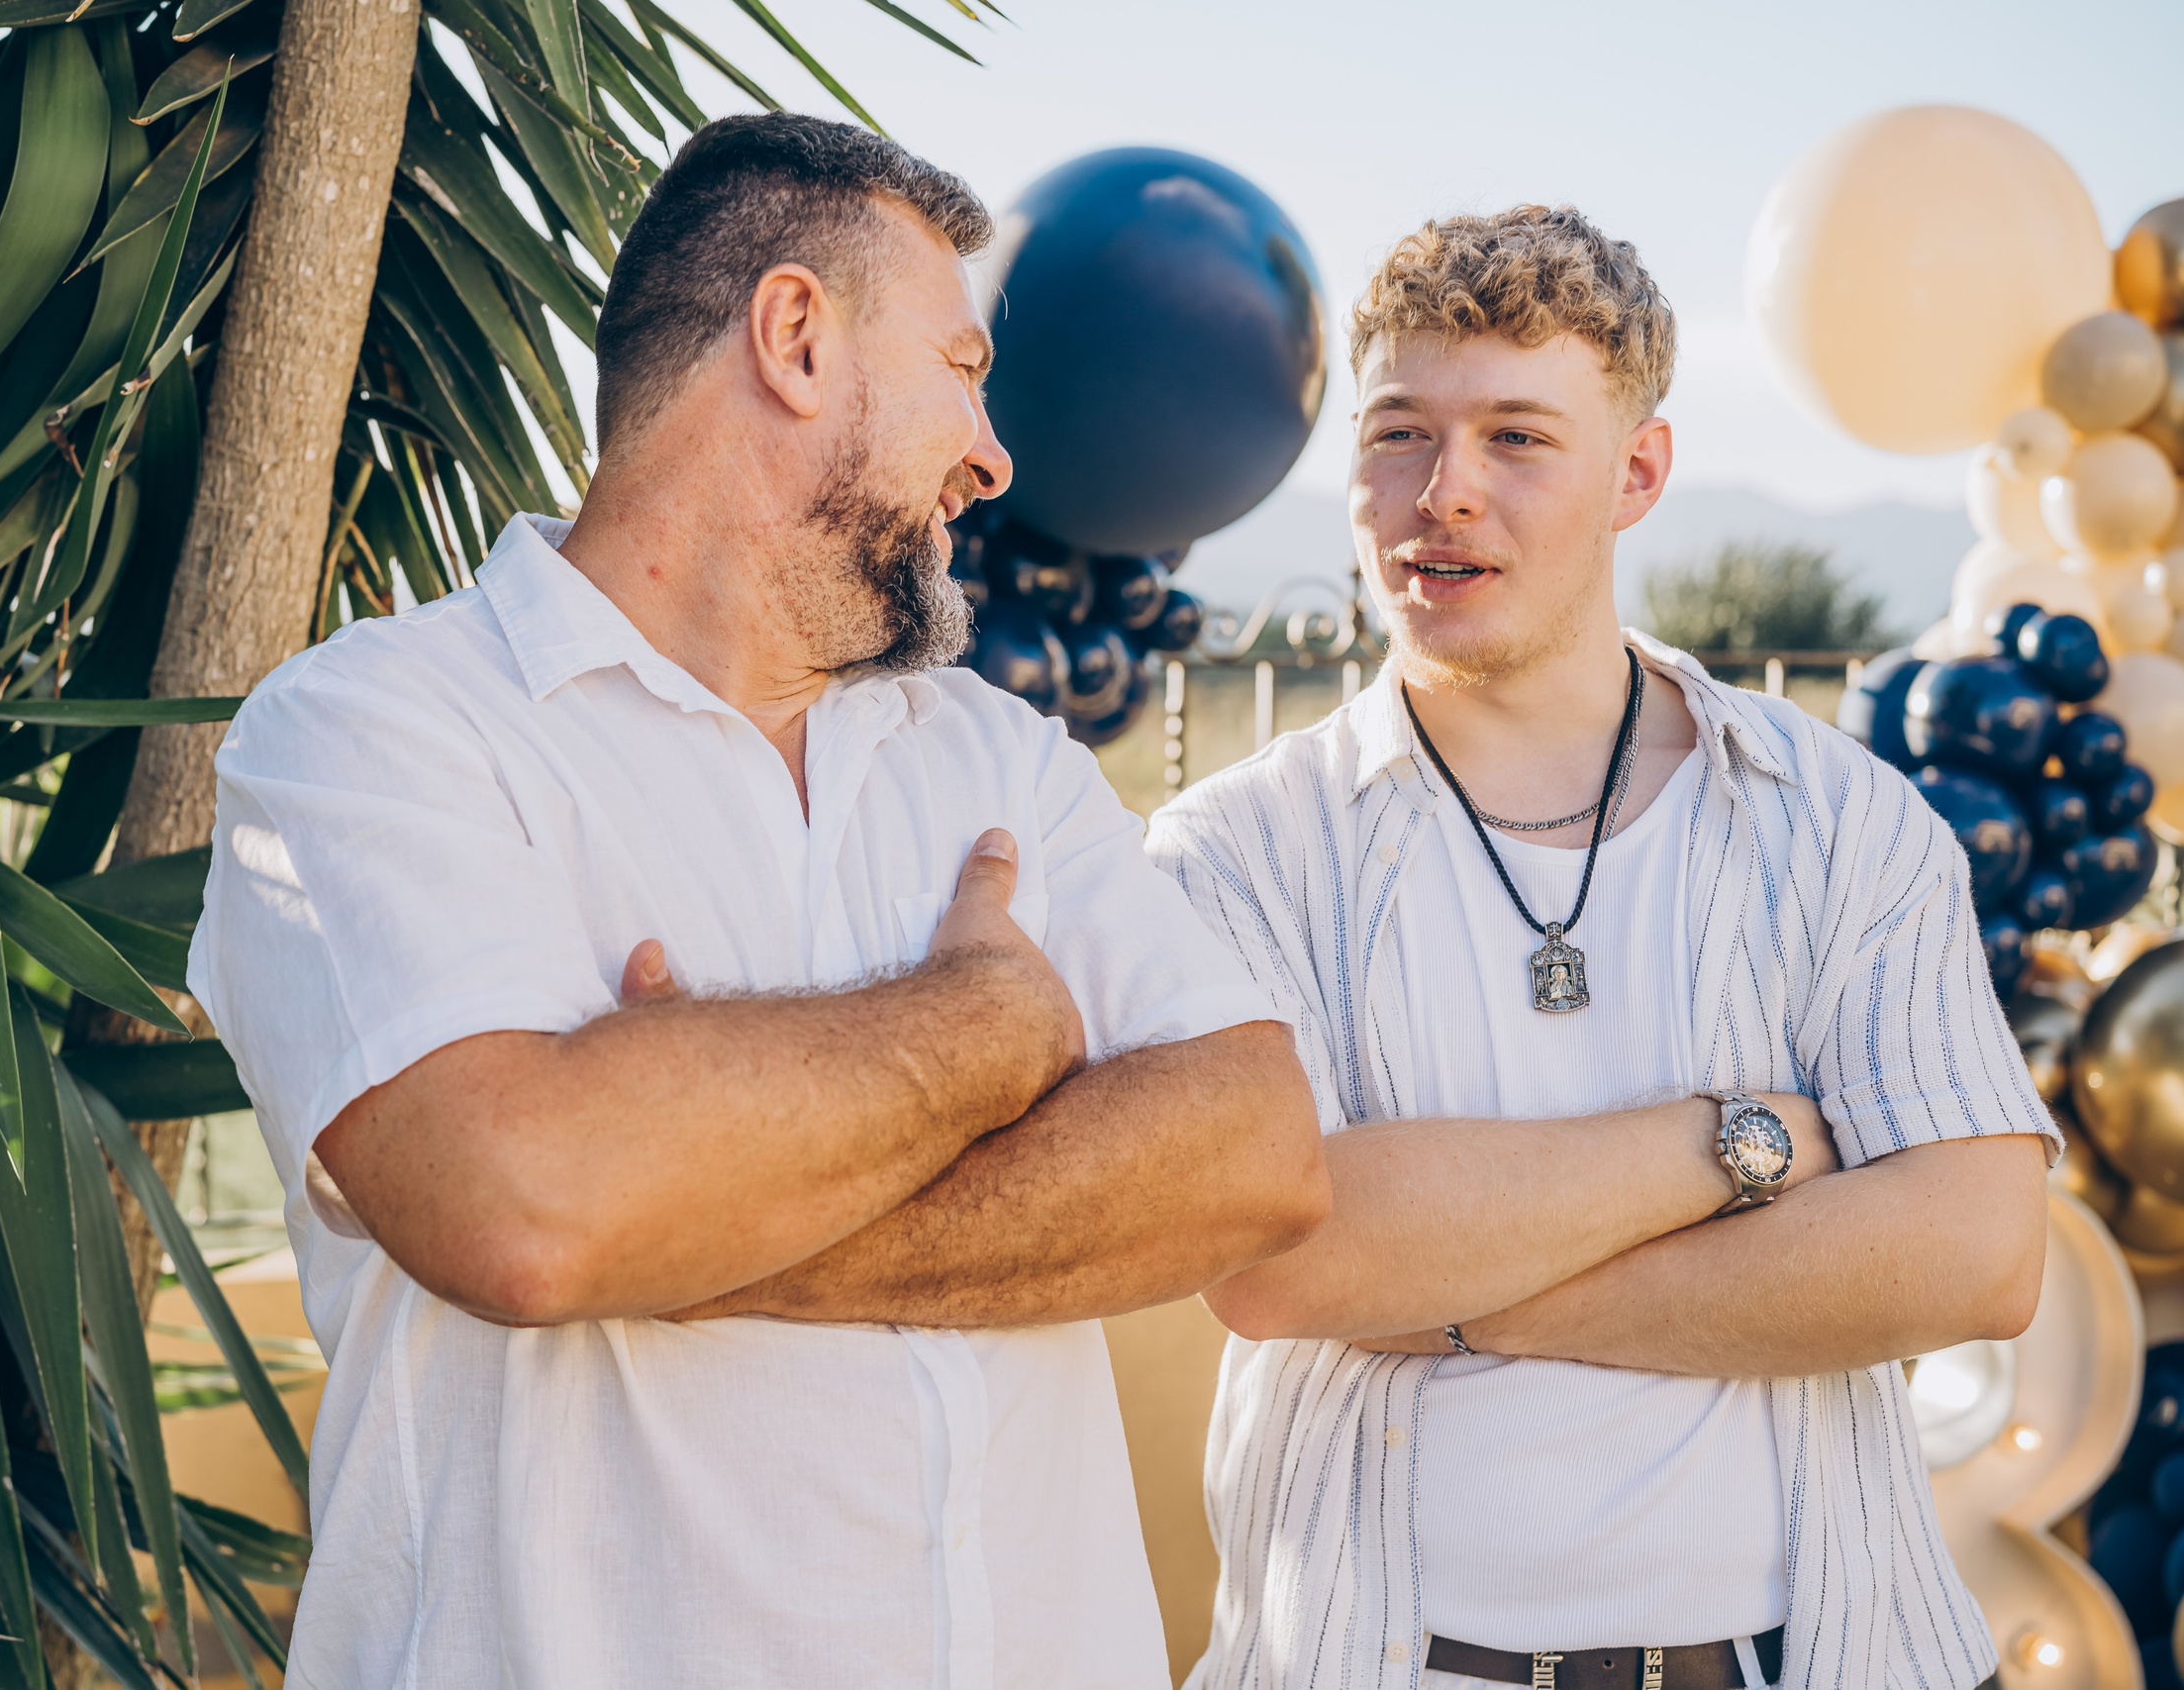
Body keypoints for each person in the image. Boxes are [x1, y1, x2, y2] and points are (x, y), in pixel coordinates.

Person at [187, 112, 1327, 1690]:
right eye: (962, 369)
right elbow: (526, 1207)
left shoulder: (1001, 757)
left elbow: (1255, 1154)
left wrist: (695, 1223)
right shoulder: (372, 734)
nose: (995, 457)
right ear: (794, 337)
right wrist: (988, 1032)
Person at [1147, 206, 2053, 1690]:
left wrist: (1447, 1289)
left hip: (1797, 1662)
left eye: (1518, 438)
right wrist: (1734, 1146)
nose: (1445, 496)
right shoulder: (1233, 852)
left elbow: (1976, 1250)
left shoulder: (1840, 823)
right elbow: (1281, 1255)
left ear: (1638, 472)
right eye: (1399, 436)